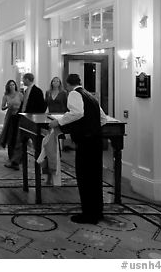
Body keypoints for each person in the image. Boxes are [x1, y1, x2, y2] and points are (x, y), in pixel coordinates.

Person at [50, 74, 107, 224]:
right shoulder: (90, 95)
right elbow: (103, 119)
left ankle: (88, 214)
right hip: (96, 141)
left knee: (84, 177)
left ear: (68, 84)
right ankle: (97, 211)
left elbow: (77, 113)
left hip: (86, 142)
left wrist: (58, 122)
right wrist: (92, 128)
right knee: (95, 178)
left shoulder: (74, 94)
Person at [5, 73, 47, 170]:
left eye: (24, 79)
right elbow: (24, 105)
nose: (23, 81)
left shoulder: (37, 91)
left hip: (32, 120)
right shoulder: (26, 90)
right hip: (24, 118)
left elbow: (42, 106)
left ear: (28, 79)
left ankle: (41, 161)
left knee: (34, 142)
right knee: (20, 141)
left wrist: (36, 118)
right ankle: (16, 161)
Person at [0, 80, 23, 157]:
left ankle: (18, 155)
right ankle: (11, 155)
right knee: (10, 135)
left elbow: (23, 104)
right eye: (10, 85)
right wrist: (8, 106)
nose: (12, 86)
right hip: (10, 116)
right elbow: (2, 107)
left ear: (15, 86)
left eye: (13, 85)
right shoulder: (6, 96)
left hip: (18, 116)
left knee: (17, 135)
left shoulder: (20, 95)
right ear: (8, 87)